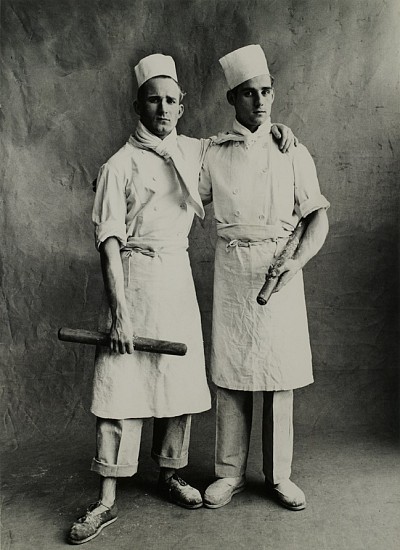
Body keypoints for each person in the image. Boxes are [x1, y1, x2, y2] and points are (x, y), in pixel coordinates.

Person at [67, 52, 296, 544]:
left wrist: (277, 133)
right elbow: (108, 242)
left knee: (177, 383)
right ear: (137, 105)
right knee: (121, 387)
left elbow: (241, 148)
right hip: (132, 280)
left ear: (183, 105)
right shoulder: (118, 165)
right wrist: (120, 313)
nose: (164, 109)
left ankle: (171, 472)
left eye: (172, 100)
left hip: (176, 281)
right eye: (154, 100)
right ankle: (106, 496)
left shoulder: (195, 151)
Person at [199, 45, 330, 512]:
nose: (260, 101)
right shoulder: (211, 153)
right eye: (249, 93)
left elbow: (317, 219)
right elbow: (178, 191)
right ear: (232, 98)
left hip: (280, 270)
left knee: (279, 375)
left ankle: (279, 475)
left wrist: (297, 262)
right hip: (233, 271)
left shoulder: (292, 150)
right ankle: (228, 473)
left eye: (267, 92)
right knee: (233, 374)